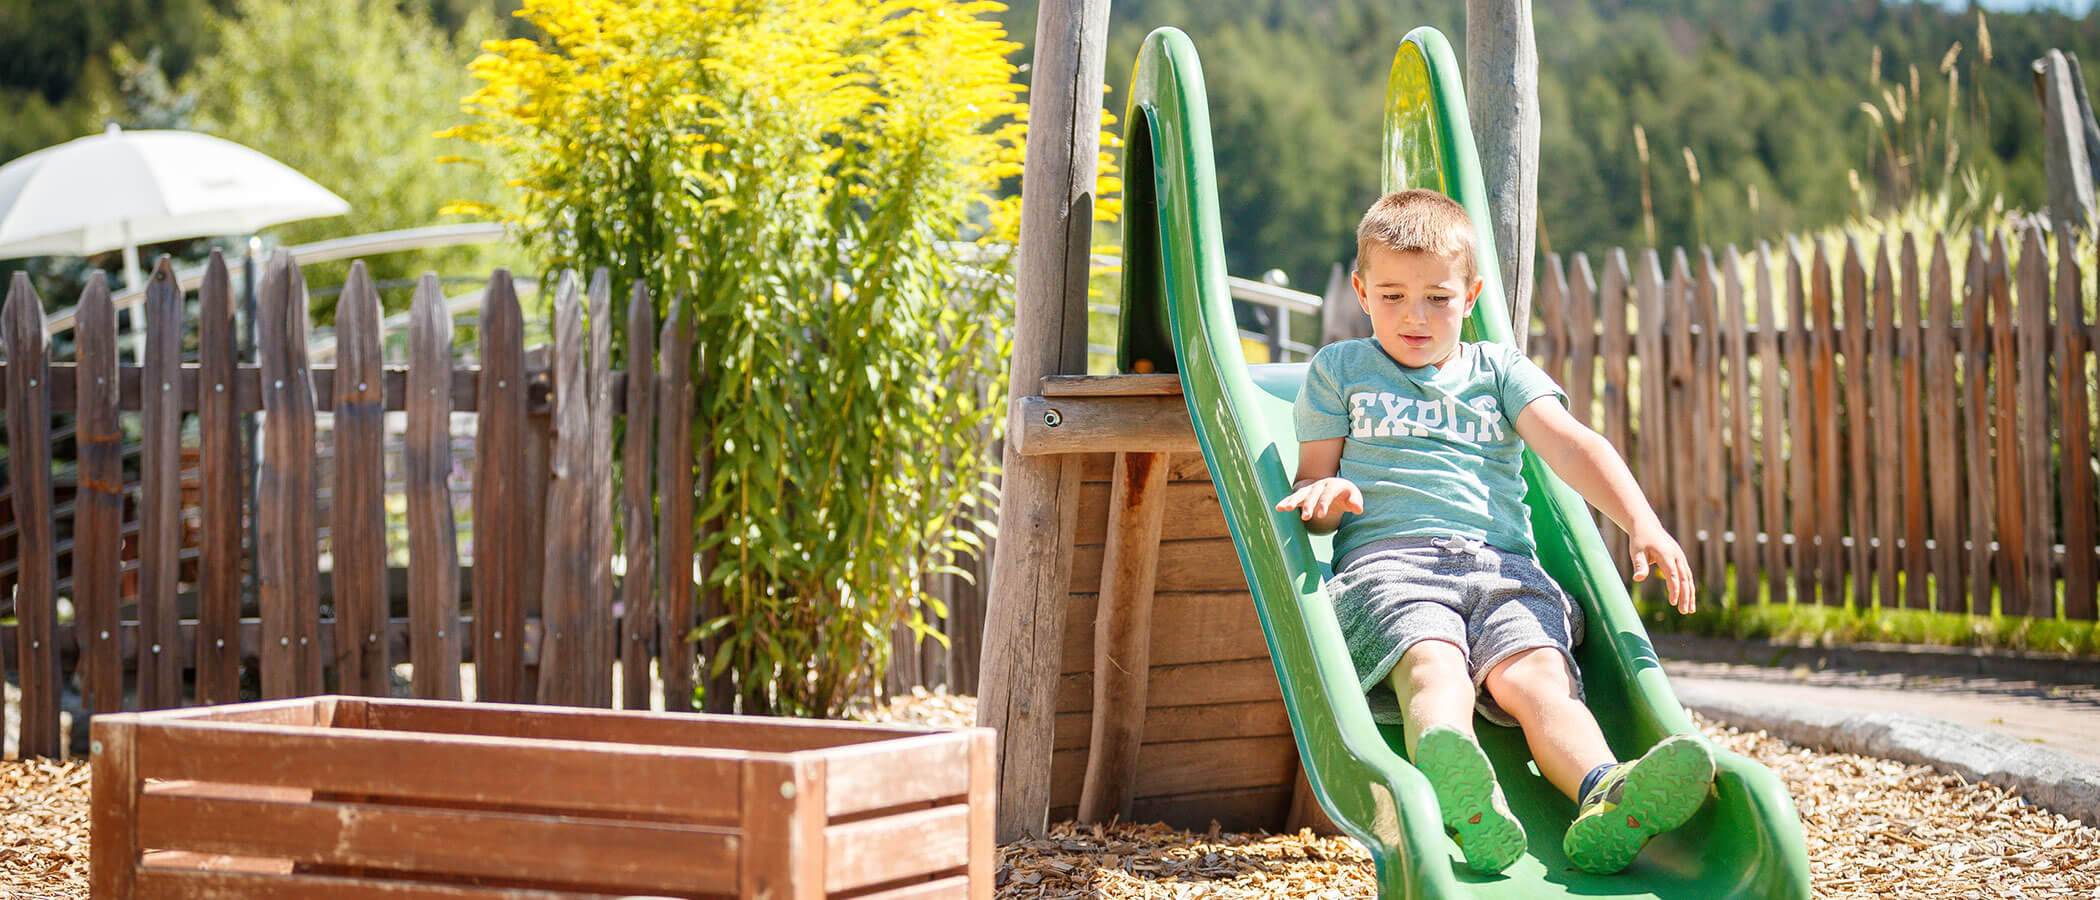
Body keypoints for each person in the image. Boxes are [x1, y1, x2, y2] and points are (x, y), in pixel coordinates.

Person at [1276, 188, 1710, 875]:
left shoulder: (1498, 371)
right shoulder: (1341, 371)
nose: (1414, 316)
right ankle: (1460, 785)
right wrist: (1328, 495)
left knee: (1539, 678)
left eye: (1438, 298)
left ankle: (1605, 793)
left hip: (1503, 567)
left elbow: (1570, 445)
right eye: (1391, 296)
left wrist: (1642, 521)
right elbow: (1313, 496)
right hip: (1392, 569)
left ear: (1472, 294)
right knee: (1433, 662)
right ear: (1360, 291)